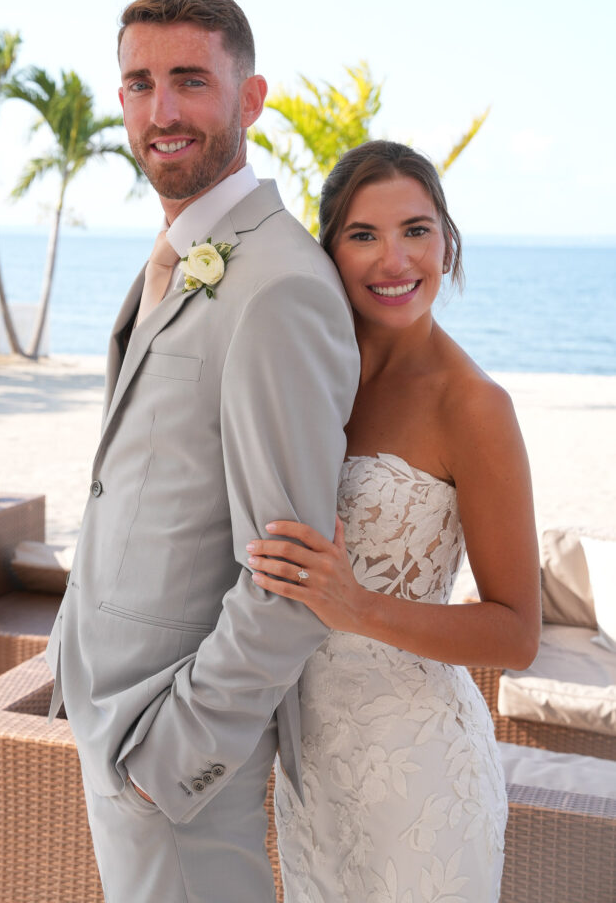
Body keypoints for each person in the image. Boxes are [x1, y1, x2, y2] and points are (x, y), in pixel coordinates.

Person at [44, 0, 360, 902]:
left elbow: (292, 576)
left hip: (170, 752)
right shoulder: (186, 254)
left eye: (190, 81)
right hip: (115, 718)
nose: (162, 111)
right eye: (139, 84)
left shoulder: (277, 286)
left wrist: (175, 754)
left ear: (250, 98)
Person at [247, 141, 541, 902]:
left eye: (415, 229)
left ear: (447, 240)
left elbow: (516, 633)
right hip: (311, 768)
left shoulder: (473, 406)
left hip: (421, 778)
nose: (393, 260)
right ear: (329, 252)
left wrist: (357, 606)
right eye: (363, 234)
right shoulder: (309, 374)